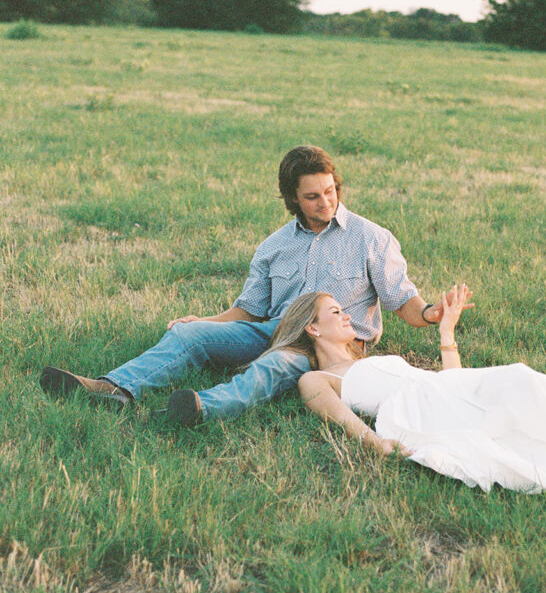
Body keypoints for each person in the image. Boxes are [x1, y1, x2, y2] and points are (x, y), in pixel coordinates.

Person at [40, 145, 449, 426]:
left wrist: (431, 313)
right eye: (312, 197)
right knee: (188, 335)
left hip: (330, 345)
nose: (326, 203)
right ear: (292, 199)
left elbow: (403, 302)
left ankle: (201, 408)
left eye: (330, 192)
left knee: (274, 365)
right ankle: (113, 389)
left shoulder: (371, 237)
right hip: (273, 329)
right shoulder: (275, 246)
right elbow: (249, 310)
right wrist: (205, 321)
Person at [265, 288, 546, 516]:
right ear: (313, 330)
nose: (345, 316)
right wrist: (379, 445)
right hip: (418, 414)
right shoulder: (317, 379)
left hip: (449, 393)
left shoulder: (373, 360)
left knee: (537, 391)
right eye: (334, 312)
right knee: (532, 453)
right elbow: (342, 420)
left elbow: (454, 382)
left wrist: (446, 333)